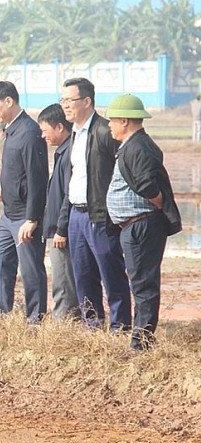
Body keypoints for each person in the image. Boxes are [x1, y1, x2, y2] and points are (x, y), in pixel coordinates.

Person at [105, 94, 182, 350]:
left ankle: (141, 343)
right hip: (134, 226)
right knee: (139, 282)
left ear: (124, 120)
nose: (109, 126)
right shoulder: (133, 144)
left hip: (142, 225)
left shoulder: (137, 146)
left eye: (112, 121)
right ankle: (139, 339)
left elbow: (148, 184)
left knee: (143, 285)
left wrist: (158, 202)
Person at [59, 78, 130, 330]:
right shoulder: (74, 134)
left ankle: (120, 326)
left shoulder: (103, 130)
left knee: (111, 273)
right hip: (76, 215)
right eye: (62, 100)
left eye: (69, 100)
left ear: (87, 101)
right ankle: (93, 325)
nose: (64, 105)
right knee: (83, 276)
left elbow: (122, 170)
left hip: (100, 215)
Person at [0, 81, 48, 323]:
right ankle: (3, 314)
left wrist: (33, 218)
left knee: (31, 268)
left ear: (9, 101)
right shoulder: (11, 129)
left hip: (25, 215)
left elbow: (37, 178)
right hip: (9, 214)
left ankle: (35, 319)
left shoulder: (30, 132)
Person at [38, 104, 78, 320]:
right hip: (56, 228)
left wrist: (60, 229)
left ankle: (64, 324)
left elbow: (68, 196)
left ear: (60, 127)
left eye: (45, 130)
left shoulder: (69, 153)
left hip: (61, 231)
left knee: (63, 283)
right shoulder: (62, 152)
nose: (43, 136)